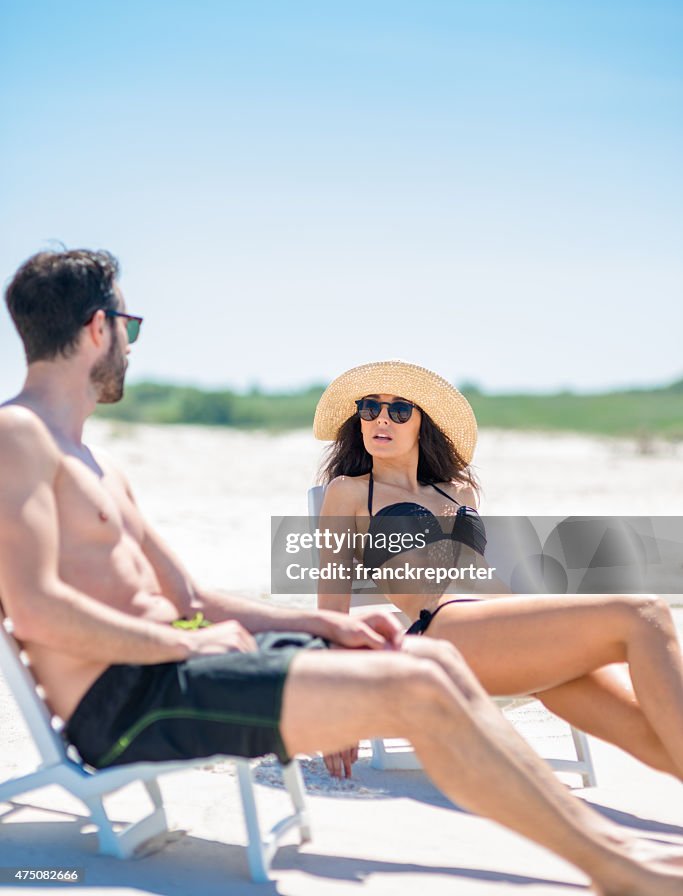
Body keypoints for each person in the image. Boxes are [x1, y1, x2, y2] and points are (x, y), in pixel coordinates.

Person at [1, 251, 682, 896]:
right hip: (128, 701)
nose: (131, 345)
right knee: (425, 675)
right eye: (130, 328)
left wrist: (323, 626)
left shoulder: (95, 462)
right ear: (99, 328)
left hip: (182, 667)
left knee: (431, 671)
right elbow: (34, 609)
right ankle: (611, 865)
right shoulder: (18, 437)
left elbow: (190, 597)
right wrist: (188, 641)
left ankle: (617, 855)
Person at [315, 361, 683, 787]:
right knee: (643, 612)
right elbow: (332, 598)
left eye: (399, 410)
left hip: (508, 625)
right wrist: (333, 700)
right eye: (369, 408)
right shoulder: (349, 492)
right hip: (445, 631)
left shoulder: (459, 490)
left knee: (644, 732)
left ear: (422, 424)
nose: (381, 418)